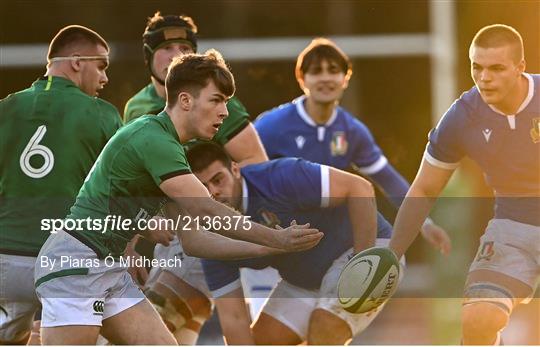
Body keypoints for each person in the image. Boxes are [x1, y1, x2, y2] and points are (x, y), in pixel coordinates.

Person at [34, 50, 322, 345]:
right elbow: (206, 210)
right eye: (216, 100)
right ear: (185, 100)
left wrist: (267, 249)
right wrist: (277, 238)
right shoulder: (153, 138)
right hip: (75, 264)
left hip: (108, 269)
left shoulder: (170, 151)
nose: (225, 111)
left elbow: (194, 240)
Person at [122, 12, 269, 343]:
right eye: (167, 47)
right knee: (175, 334)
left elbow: (255, 163)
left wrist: (216, 215)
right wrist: (130, 241)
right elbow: (133, 183)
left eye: (183, 47)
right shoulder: (136, 108)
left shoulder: (211, 97)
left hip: (206, 230)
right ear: (148, 56)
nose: (175, 55)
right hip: (172, 236)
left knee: (147, 328)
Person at [388, 24, 539, 345]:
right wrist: (391, 254)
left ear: (520, 67)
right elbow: (424, 189)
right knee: (475, 320)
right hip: (512, 227)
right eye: (477, 67)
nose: (484, 77)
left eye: (496, 68)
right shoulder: (462, 117)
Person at [186, 141, 399, 345]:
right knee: (260, 342)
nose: (212, 192)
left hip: (358, 250)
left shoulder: (279, 177)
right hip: (304, 281)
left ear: (235, 170)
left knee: (323, 329)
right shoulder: (208, 239)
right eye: (202, 187)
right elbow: (234, 319)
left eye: (217, 180)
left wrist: (362, 265)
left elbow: (359, 188)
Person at [255, 37, 450, 253]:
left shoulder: (351, 131)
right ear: (302, 79)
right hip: (271, 238)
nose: (326, 78)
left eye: (333, 70)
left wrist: (425, 223)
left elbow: (388, 179)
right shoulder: (271, 126)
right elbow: (238, 175)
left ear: (345, 78)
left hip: (320, 243)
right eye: (316, 71)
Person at [0, 25, 122, 344]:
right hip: (66, 263)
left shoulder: (6, 107)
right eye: (102, 65)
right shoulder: (103, 115)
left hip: (5, 261)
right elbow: (122, 194)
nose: (105, 78)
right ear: (77, 61)